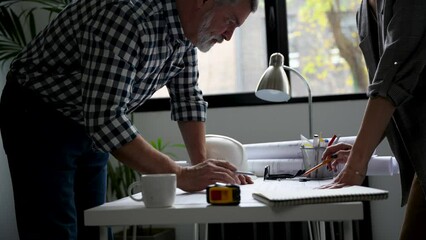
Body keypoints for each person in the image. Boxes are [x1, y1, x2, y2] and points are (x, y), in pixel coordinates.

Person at [0, 0, 258, 239]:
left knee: (96, 226)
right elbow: (106, 120)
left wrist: (203, 169)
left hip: (87, 120)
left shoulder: (185, 35)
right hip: (38, 114)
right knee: (54, 231)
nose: (228, 35)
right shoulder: (128, 17)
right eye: (230, 21)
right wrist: (180, 174)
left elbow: (188, 100)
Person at [321, 0, 426, 239]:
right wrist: (360, 148)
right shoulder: (363, 13)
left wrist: (357, 163)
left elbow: (392, 78)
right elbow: (388, 92)